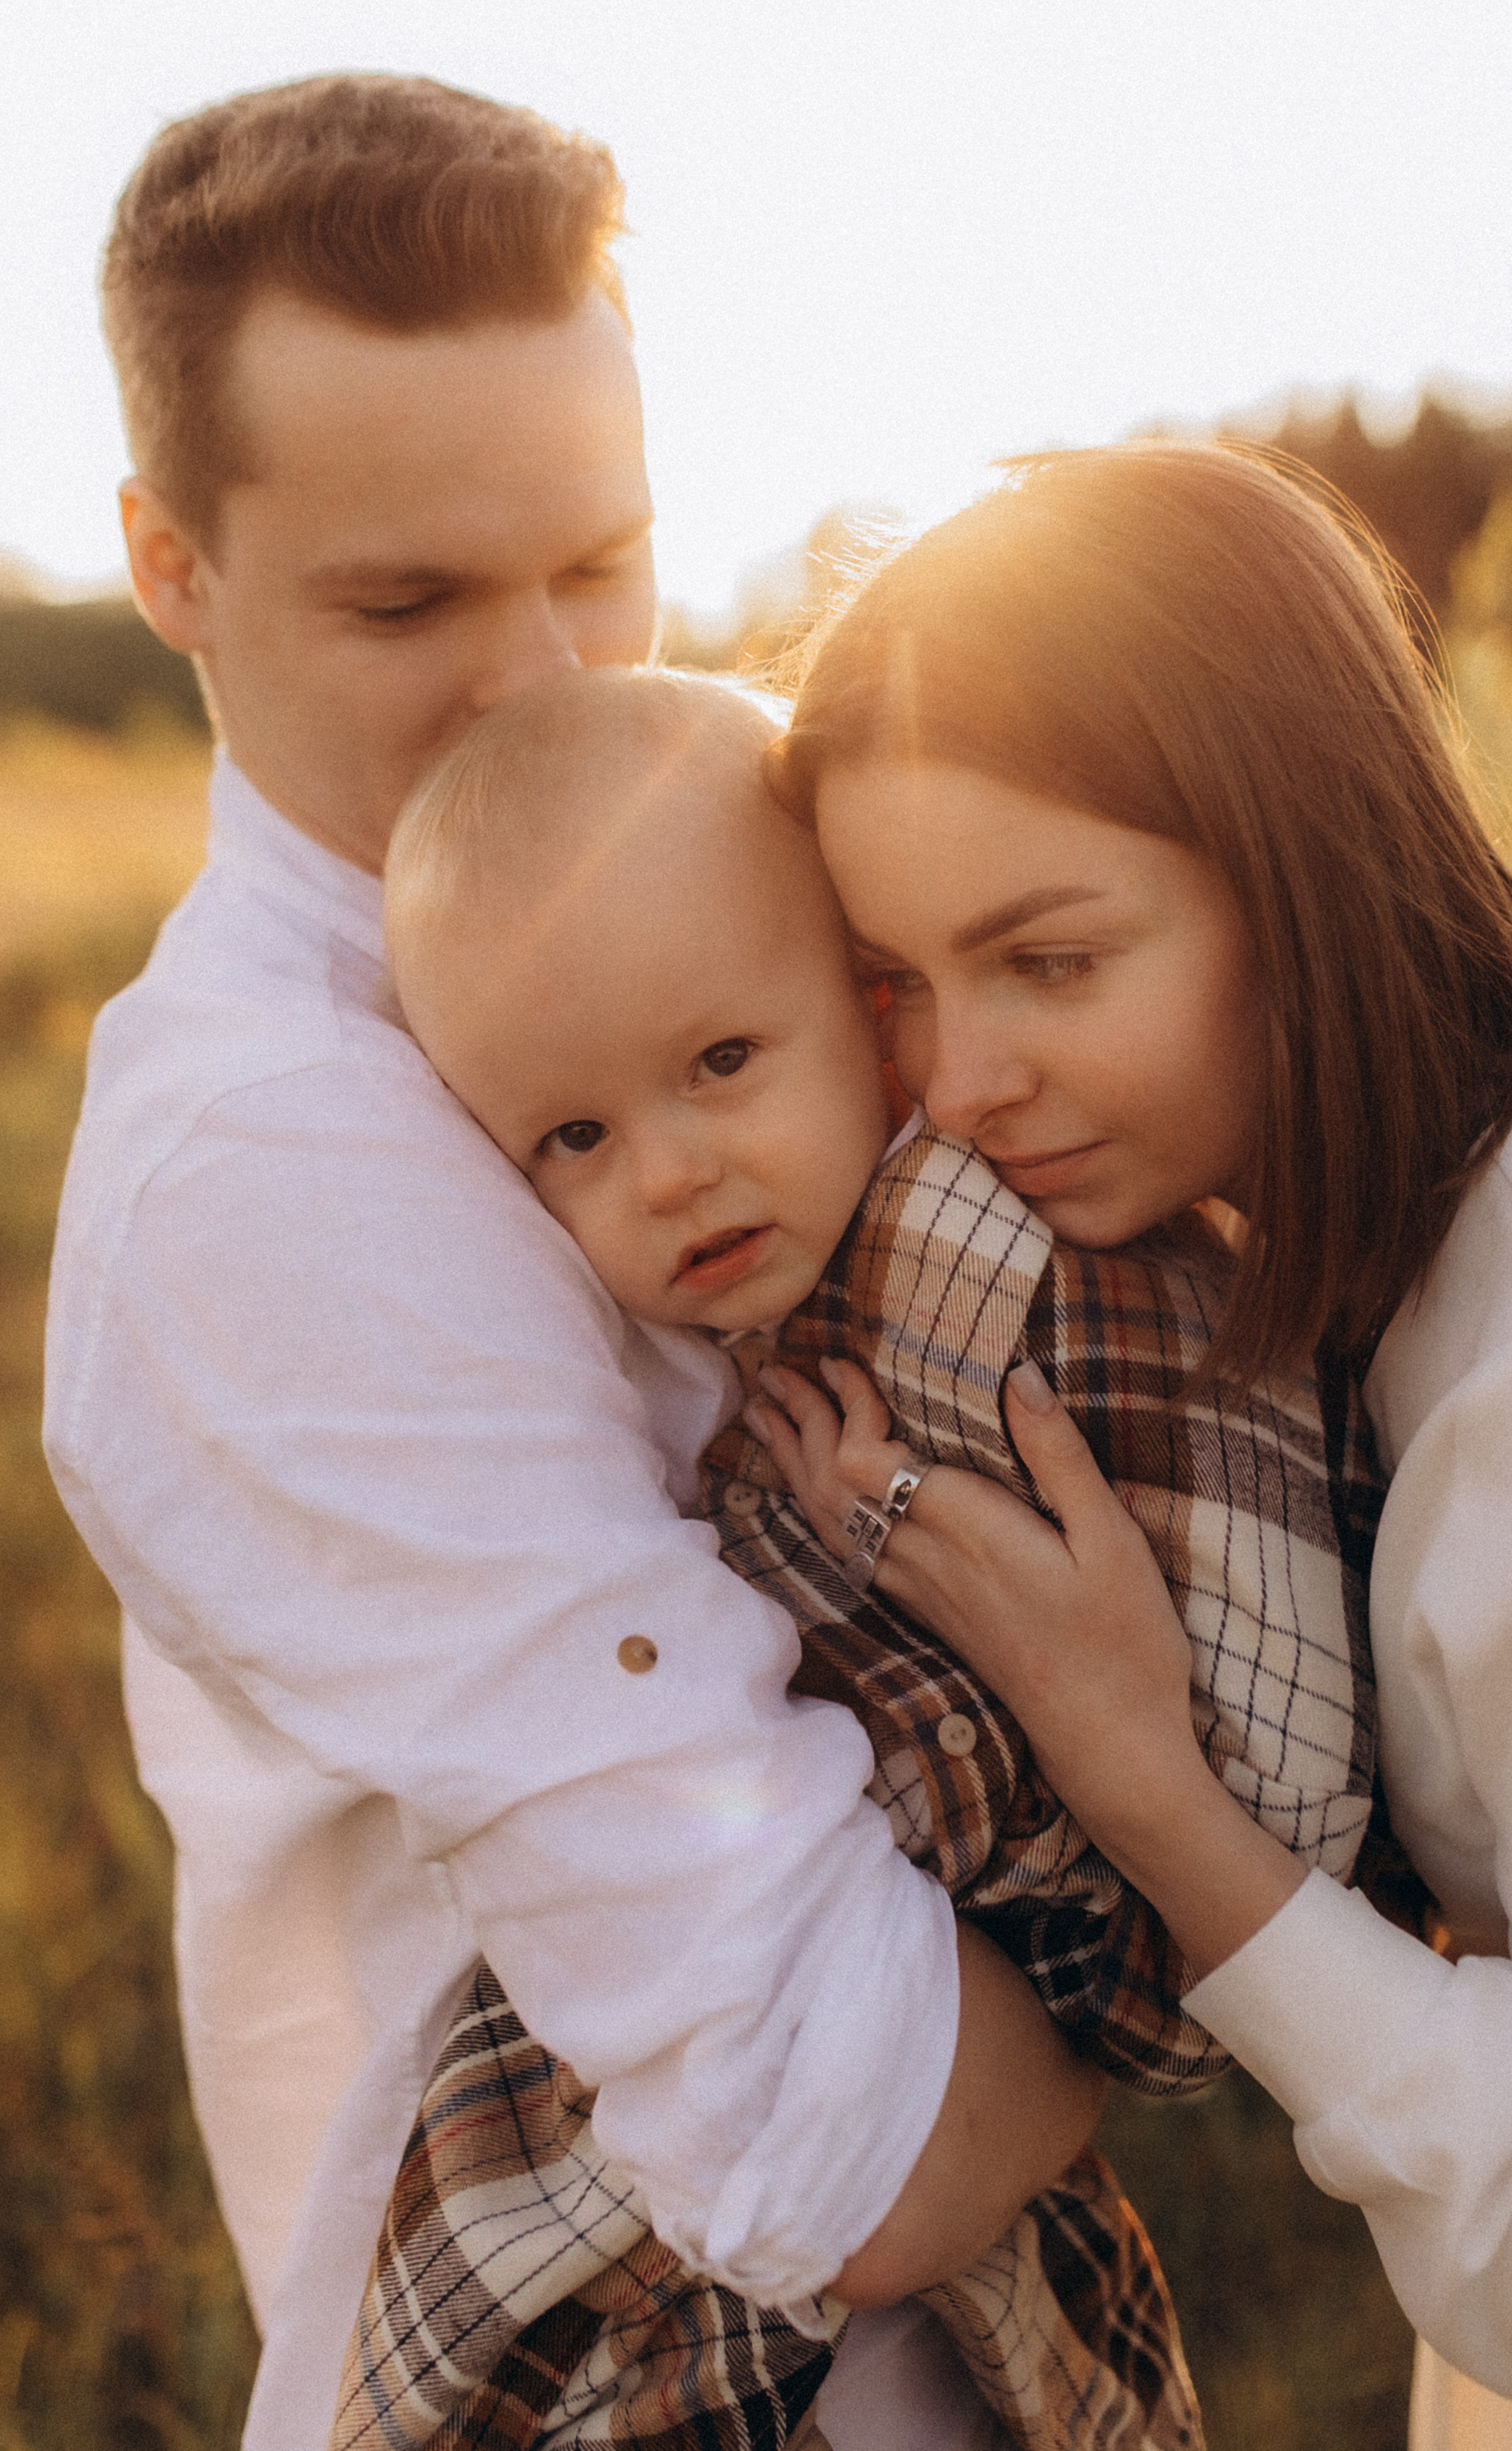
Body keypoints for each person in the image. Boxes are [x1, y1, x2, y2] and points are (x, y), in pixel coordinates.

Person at [43, 73, 1107, 2451]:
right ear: (168, 563)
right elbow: (843, 2138)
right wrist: (1246, 1918)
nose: (543, 678)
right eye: (409, 597)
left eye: (601, 561)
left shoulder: (709, 835)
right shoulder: (266, 1177)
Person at [745, 443, 1512, 2451]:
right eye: (897, 985)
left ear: (1304, 863)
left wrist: (1149, 1789)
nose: (961, 1079)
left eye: (1054, 959)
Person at [336, 662, 1388, 2448]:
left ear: (867, 1003)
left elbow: (1278, 1800)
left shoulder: (991, 1277)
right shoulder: (810, 1307)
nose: (666, 1175)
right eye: (571, 1137)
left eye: (721, 1064)